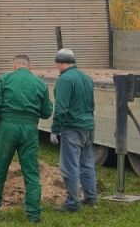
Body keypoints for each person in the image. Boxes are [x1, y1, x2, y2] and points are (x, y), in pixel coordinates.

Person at [0, 54, 53, 223]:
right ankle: (34, 216)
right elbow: (46, 112)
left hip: (7, 129)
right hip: (29, 130)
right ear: (29, 66)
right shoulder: (40, 84)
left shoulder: (5, 79)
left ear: (14, 66)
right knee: (31, 174)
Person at [51, 48, 97, 212]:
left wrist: (55, 129)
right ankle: (91, 198)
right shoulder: (86, 78)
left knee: (69, 166)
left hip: (73, 127)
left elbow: (61, 108)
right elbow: (92, 105)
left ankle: (72, 203)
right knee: (87, 164)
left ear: (59, 62)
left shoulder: (65, 80)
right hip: (89, 126)